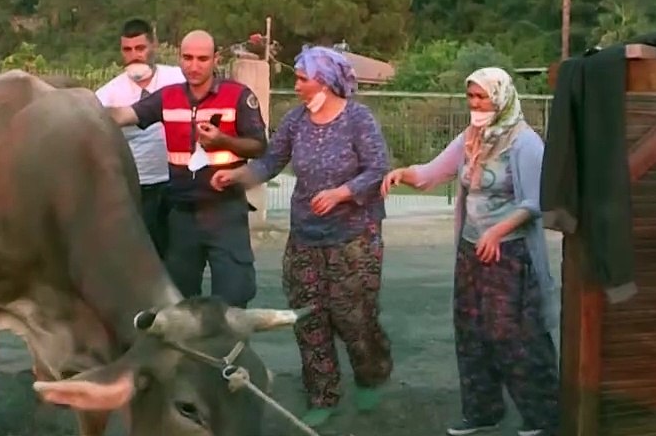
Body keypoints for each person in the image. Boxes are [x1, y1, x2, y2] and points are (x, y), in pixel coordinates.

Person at [212, 45, 393, 428]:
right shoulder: (296, 121)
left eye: (301, 77)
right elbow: (270, 161)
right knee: (308, 318)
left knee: (354, 318)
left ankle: (369, 373)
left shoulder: (358, 119)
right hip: (305, 237)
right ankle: (322, 393)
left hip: (354, 237)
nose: (295, 84)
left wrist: (342, 192)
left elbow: (378, 168)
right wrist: (237, 176)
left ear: (324, 81)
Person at [382, 67, 559, 436]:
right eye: (471, 97)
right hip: (471, 250)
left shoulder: (524, 142)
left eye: (483, 97)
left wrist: (497, 230)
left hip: (509, 255)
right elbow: (435, 171)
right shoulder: (471, 138)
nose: (476, 104)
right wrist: (404, 173)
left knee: (513, 334)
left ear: (502, 98)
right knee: (471, 331)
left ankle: (543, 416)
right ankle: (482, 411)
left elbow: (536, 201)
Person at [108, 29, 267, 308]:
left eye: (202, 59)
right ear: (179, 58)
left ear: (216, 59)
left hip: (225, 211)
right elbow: (124, 115)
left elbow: (259, 146)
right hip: (182, 215)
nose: (194, 66)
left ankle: (229, 353)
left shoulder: (238, 96)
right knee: (179, 304)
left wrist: (222, 140)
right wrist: (78, 106)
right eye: (188, 58)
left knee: (233, 300)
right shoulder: (167, 97)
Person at [93, 18, 184, 257]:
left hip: (180, 180)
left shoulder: (179, 80)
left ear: (153, 45)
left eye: (140, 48)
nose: (134, 55)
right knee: (146, 254)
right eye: (127, 50)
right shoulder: (107, 95)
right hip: (140, 187)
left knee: (181, 255)